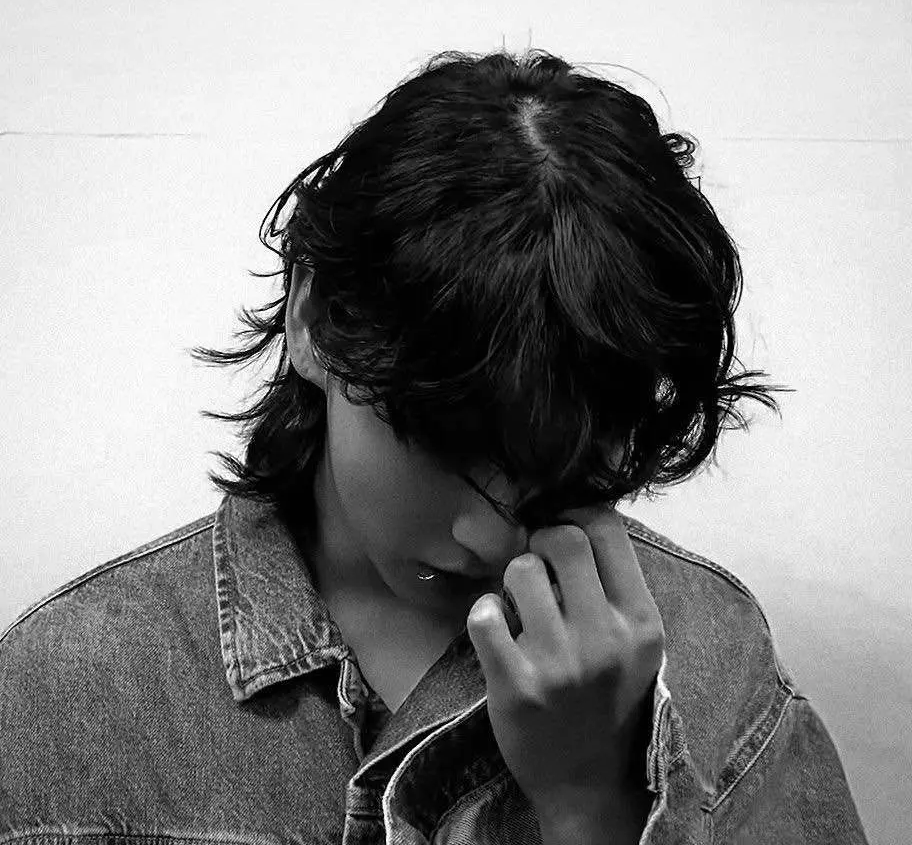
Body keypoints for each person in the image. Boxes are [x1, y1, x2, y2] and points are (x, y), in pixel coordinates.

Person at [0, 49, 869, 844]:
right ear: (315, 321)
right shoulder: (69, 691)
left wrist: (592, 804)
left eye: (558, 469)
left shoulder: (713, 655)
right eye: (446, 447)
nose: (489, 537)